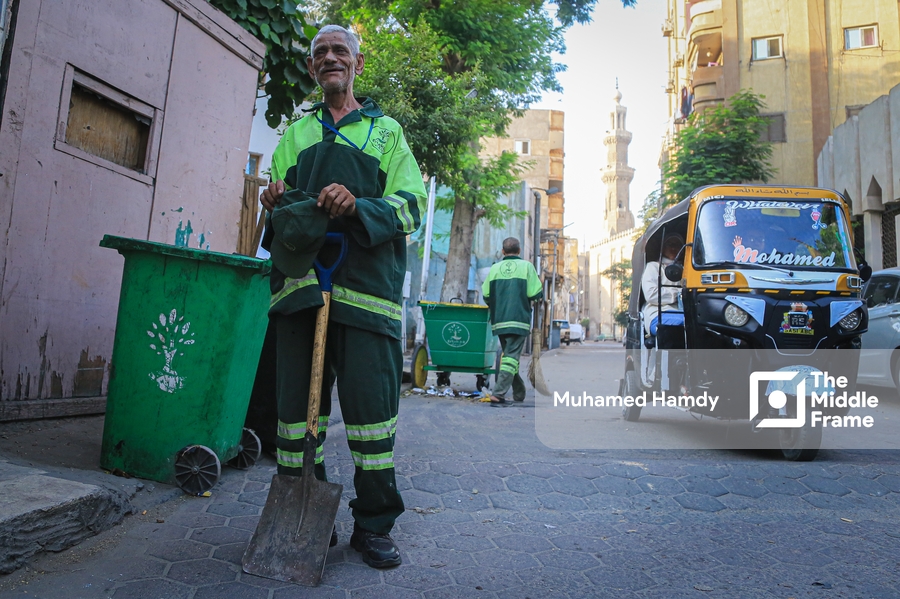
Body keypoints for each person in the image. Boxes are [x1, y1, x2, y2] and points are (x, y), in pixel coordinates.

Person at [259, 24, 427, 569]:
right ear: (313, 69)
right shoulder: (296, 134)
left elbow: (410, 208)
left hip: (367, 297)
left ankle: (373, 525)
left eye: (339, 51)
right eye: (320, 53)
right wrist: (276, 197)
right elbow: (281, 210)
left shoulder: (387, 133)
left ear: (357, 63)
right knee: (293, 418)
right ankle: (309, 514)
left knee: (372, 420)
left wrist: (357, 206)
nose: (330, 58)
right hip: (303, 292)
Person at [481, 237, 543, 404]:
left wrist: (497, 305)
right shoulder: (527, 267)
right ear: (519, 250)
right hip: (519, 319)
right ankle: (499, 392)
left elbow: (486, 295)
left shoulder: (494, 269)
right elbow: (536, 293)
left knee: (509, 356)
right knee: (510, 357)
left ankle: (519, 391)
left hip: (499, 320)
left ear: (503, 252)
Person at [641, 234, 684, 336]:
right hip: (658, 313)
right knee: (688, 323)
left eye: (677, 245)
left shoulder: (688, 269)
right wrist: (679, 294)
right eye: (669, 244)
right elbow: (651, 295)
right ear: (663, 248)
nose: (673, 248)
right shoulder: (653, 267)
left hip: (684, 313)